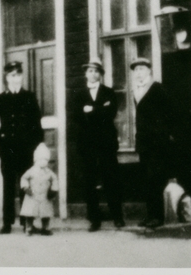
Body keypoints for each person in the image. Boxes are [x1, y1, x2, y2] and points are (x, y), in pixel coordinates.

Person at [72, 59, 124, 231]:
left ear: (100, 74)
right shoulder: (79, 94)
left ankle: (117, 216)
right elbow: (76, 116)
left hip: (106, 143)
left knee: (111, 179)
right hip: (87, 144)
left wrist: (91, 110)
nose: (93, 74)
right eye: (90, 71)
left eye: (96, 71)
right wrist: (99, 109)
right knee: (89, 181)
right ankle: (94, 219)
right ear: (85, 74)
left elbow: (111, 113)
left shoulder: (109, 92)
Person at [0, 61, 42, 234]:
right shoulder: (0, 99)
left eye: (19, 75)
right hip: (7, 149)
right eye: (12, 75)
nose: (16, 78)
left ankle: (26, 222)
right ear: (7, 78)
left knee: (25, 185)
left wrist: (35, 145)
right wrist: (0, 138)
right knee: (7, 186)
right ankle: (7, 223)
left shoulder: (29, 97)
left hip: (25, 149)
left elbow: (36, 123)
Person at [130, 57, 175, 229]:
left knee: (156, 178)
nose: (138, 72)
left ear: (149, 70)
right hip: (144, 142)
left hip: (158, 142)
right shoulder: (136, 90)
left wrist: (164, 133)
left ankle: (158, 217)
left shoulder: (157, 88)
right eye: (136, 70)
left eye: (142, 69)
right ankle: (150, 215)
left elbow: (170, 112)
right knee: (147, 179)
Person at [19, 143, 59, 236]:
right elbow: (24, 178)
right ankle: (29, 228)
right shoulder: (31, 171)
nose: (43, 162)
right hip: (32, 194)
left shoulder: (49, 172)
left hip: (45, 195)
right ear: (36, 159)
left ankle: (45, 228)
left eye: (45, 159)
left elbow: (55, 179)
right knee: (30, 212)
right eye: (40, 159)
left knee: (45, 213)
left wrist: (54, 189)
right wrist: (26, 187)